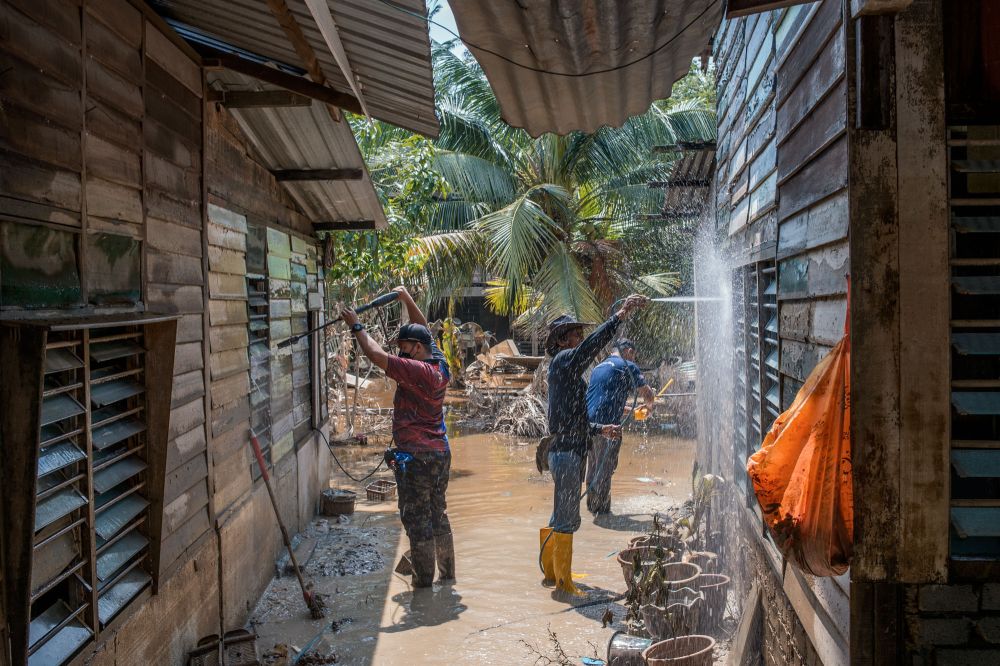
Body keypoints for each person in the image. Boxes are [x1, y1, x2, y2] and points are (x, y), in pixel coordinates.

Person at [341, 286, 454, 588]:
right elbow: (426, 331)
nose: (400, 351)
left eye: (404, 347)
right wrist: (406, 298)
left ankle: (424, 588)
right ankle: (448, 577)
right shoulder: (439, 364)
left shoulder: (417, 371)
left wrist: (356, 325)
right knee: (438, 515)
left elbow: (376, 355)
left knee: (417, 523)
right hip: (440, 454)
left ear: (416, 349)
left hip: (416, 457)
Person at [539, 295, 649, 595]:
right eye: (575, 334)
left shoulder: (566, 373)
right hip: (566, 454)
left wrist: (603, 428)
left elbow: (573, 419)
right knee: (567, 518)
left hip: (568, 450)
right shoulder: (564, 361)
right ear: (562, 341)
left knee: (560, 512)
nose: (580, 338)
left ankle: (551, 573)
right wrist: (619, 316)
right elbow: (591, 347)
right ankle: (564, 584)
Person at [585, 339, 656, 515]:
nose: (634, 359)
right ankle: (603, 514)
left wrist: (632, 412)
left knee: (594, 467)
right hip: (609, 428)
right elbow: (647, 393)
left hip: (589, 426)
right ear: (629, 351)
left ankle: (592, 511)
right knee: (605, 469)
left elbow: (605, 401)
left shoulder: (599, 367)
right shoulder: (627, 365)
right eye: (633, 355)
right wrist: (650, 406)